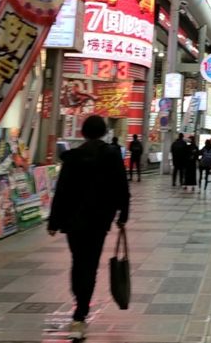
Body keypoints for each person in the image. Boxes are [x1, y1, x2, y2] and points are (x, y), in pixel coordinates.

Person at [48, 115, 129, 340]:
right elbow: (121, 186)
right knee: (90, 263)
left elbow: (61, 191)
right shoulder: (111, 156)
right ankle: (81, 310)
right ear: (104, 132)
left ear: (83, 132)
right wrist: (123, 214)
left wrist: (54, 221)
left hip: (73, 220)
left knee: (78, 261)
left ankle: (79, 299)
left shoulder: (72, 158)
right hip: (99, 219)